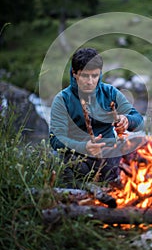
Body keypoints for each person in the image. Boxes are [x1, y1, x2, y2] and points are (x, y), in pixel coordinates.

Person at [49, 47, 144, 186]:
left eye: (95, 76)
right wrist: (83, 147)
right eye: (85, 76)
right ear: (74, 73)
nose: (90, 81)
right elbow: (56, 139)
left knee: (127, 163)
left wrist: (127, 120)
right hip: (76, 156)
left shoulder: (110, 92)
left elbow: (139, 121)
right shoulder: (62, 99)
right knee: (66, 164)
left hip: (108, 156)